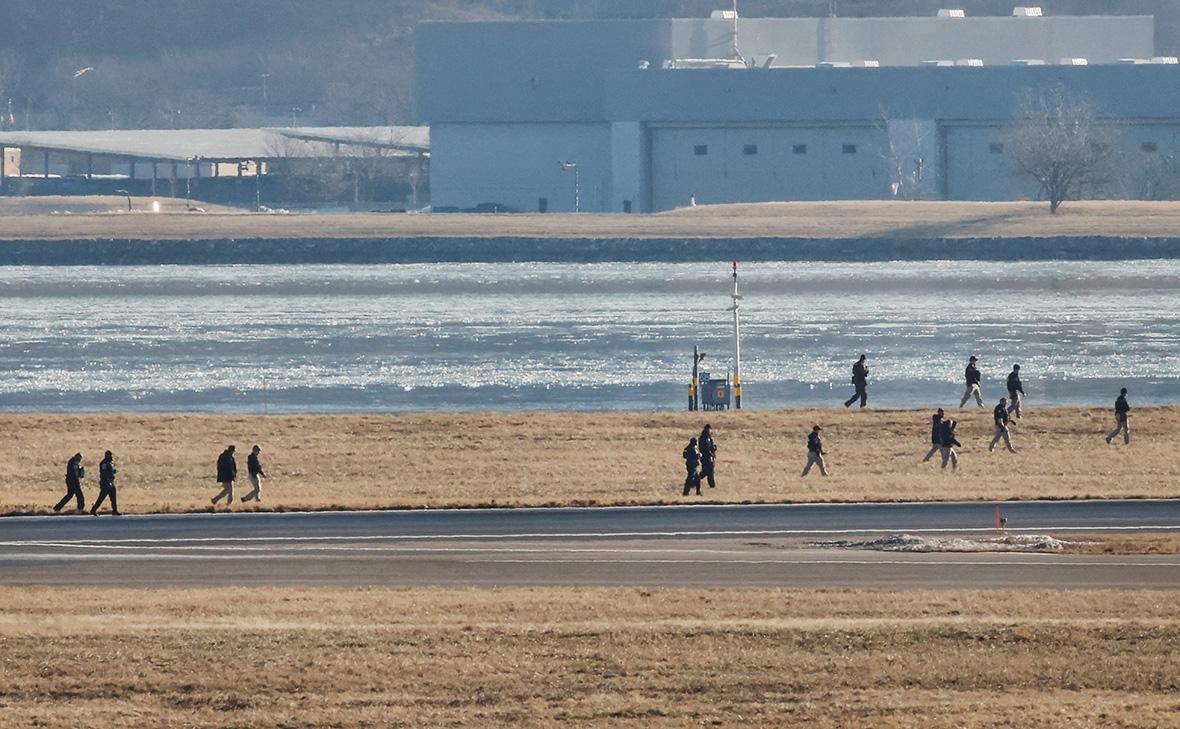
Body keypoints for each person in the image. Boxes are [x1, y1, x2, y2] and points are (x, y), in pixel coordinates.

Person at [91, 450, 120, 516]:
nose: (111, 457)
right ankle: (94, 509)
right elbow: (104, 473)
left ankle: (114, 510)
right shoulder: (104, 463)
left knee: (113, 497)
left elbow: (110, 471)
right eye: (110, 455)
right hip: (105, 483)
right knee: (101, 497)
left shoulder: (110, 463)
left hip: (110, 482)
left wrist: (113, 472)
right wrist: (108, 480)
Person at [698, 424, 718, 489]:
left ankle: (694, 480)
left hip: (709, 457)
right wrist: (710, 454)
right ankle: (712, 486)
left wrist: (714, 448)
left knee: (705, 472)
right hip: (706, 457)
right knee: (709, 472)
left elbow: (711, 446)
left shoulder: (709, 438)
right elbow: (705, 448)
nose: (710, 431)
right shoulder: (704, 438)